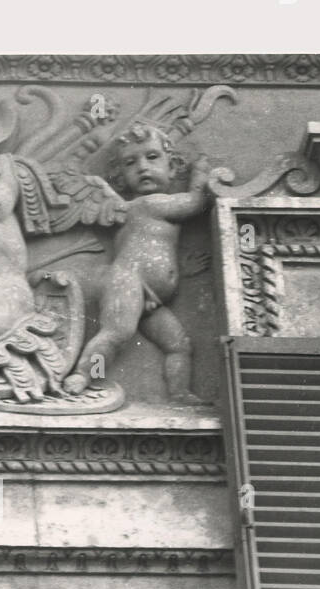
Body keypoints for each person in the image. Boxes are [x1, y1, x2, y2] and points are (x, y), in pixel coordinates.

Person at [65, 121, 210, 404]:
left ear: (172, 166)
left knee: (179, 345)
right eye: (131, 163)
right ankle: (82, 376)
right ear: (121, 178)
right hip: (128, 283)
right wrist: (202, 173)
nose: (143, 167)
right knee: (118, 332)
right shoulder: (150, 204)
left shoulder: (135, 209)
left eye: (152, 157)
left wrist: (179, 271)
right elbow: (196, 202)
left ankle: (180, 393)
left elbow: (156, 246)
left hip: (151, 297)